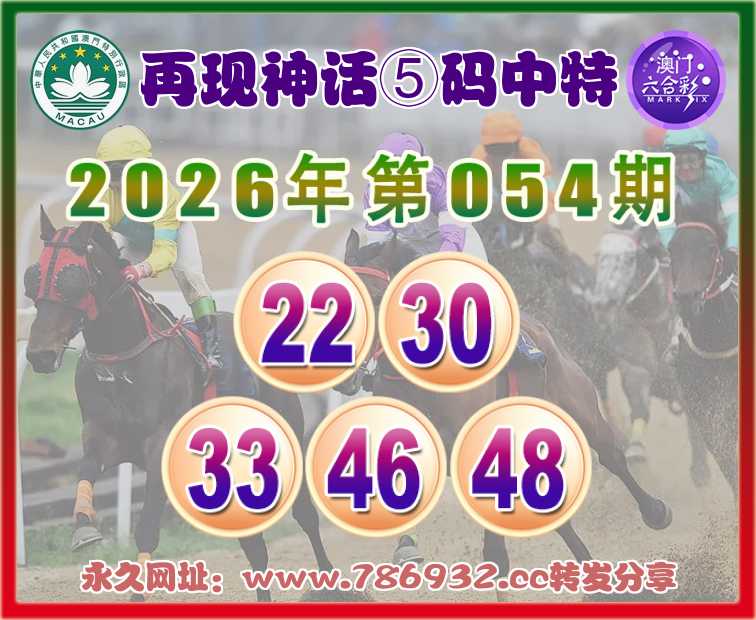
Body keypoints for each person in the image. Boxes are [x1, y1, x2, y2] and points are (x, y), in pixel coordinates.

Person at [95, 125, 223, 370]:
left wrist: (140, 269)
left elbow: (165, 252)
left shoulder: (164, 195)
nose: (114, 182)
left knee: (191, 278)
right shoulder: (103, 195)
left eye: (120, 171)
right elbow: (97, 238)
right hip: (131, 238)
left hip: (173, 236)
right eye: (108, 171)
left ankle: (211, 348)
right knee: (109, 278)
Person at [362, 131, 466, 254]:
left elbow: (453, 233)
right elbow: (377, 241)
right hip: (408, 250)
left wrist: (444, 257)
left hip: (456, 245)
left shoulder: (438, 184)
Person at [659, 127, 738, 250]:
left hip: (718, 217)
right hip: (684, 219)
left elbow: (734, 217)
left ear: (702, 158)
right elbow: (665, 222)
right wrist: (670, 248)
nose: (685, 167)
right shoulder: (663, 177)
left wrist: (733, 248)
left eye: (691, 160)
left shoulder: (721, 175)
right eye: (677, 161)